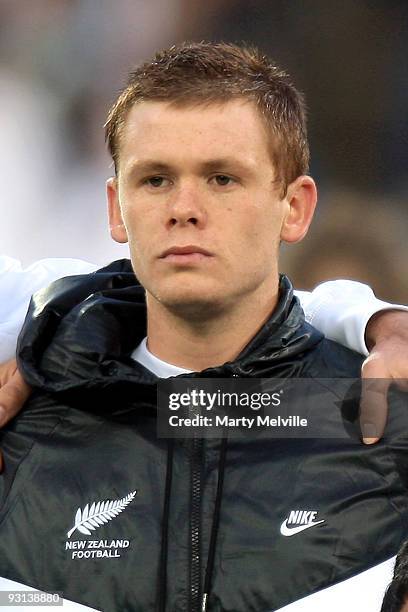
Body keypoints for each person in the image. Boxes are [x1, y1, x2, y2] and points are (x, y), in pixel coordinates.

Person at [0, 42, 407, 612]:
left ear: (295, 207)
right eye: (156, 180)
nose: (184, 208)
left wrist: (371, 319)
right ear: (117, 208)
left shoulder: (387, 426)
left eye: (221, 178)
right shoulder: (26, 430)